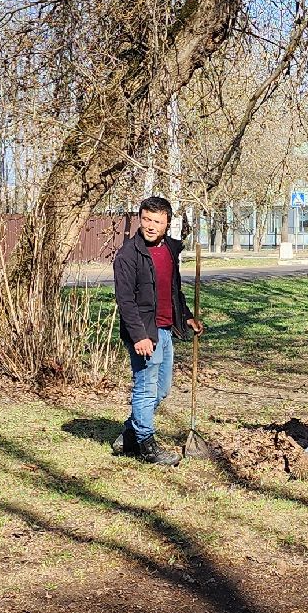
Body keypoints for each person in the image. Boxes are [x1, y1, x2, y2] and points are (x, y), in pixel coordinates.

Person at [111, 196, 202, 465]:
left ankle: (130, 434)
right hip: (144, 332)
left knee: (161, 389)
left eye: (157, 221)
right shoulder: (128, 255)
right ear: (140, 218)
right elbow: (125, 301)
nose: (151, 226)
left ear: (167, 224)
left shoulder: (170, 250)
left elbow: (173, 290)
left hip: (164, 329)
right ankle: (147, 445)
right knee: (146, 388)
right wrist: (139, 336)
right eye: (147, 219)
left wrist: (185, 317)